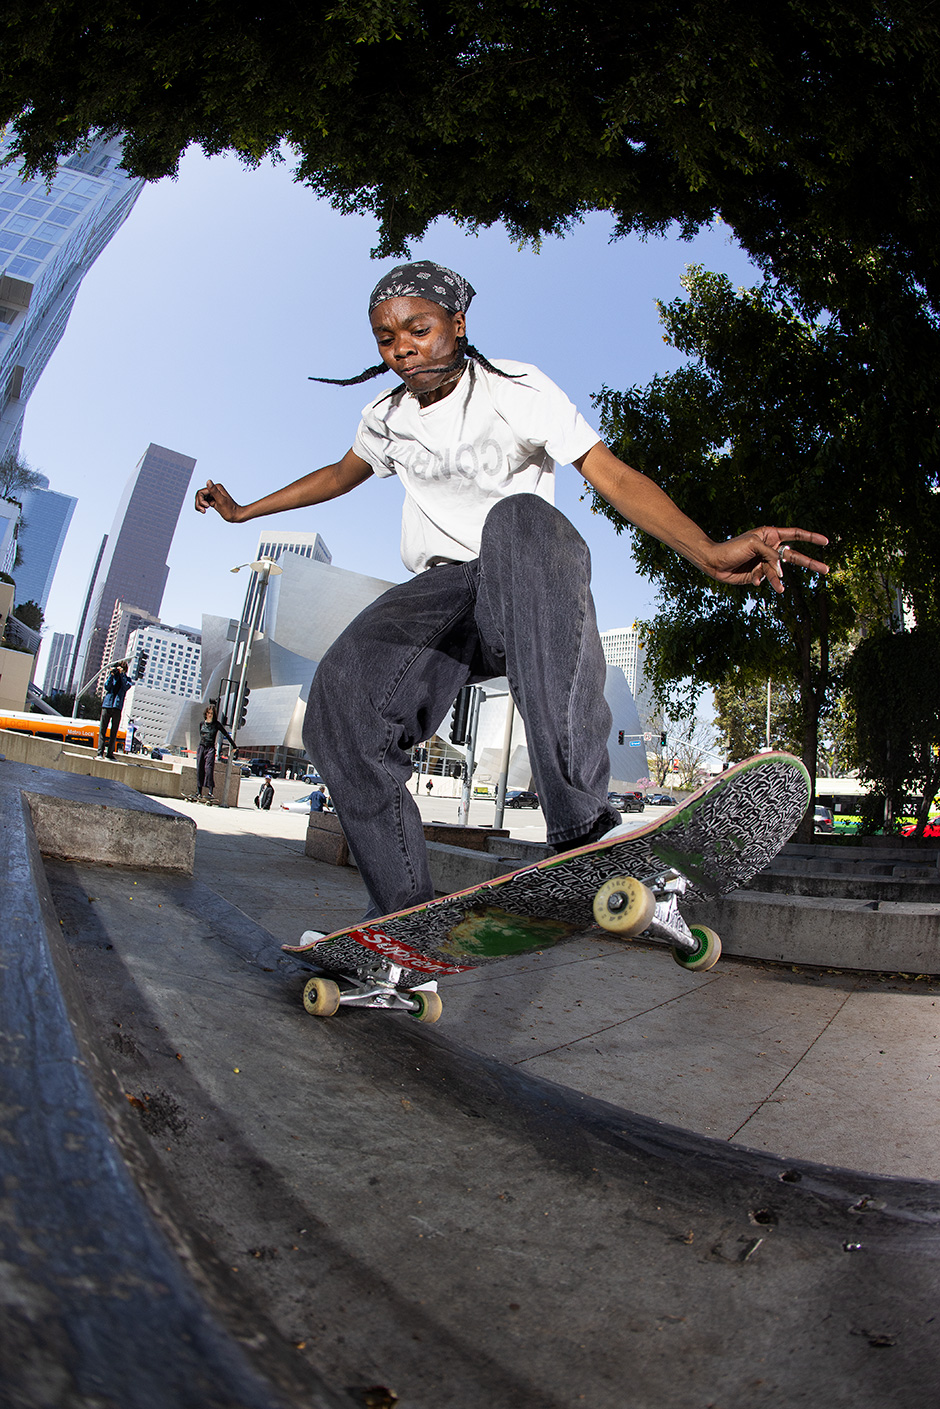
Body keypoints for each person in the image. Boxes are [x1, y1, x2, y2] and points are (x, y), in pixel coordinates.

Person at [196, 259, 828, 923]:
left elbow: (608, 472)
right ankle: (408, 917)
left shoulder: (516, 388)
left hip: (526, 582)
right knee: (339, 700)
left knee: (518, 518)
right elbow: (338, 474)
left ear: (458, 325)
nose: (402, 347)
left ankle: (584, 826)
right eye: (386, 338)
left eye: (419, 329)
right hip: (442, 599)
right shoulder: (384, 416)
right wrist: (244, 513)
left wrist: (706, 548)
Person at [196, 703, 236, 801]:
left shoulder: (216, 724)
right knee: (199, 768)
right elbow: (200, 736)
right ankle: (198, 792)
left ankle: (210, 791)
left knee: (209, 768)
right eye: (208, 713)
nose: (210, 715)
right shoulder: (202, 724)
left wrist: (234, 746)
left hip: (210, 748)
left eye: (212, 713)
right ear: (206, 713)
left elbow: (226, 734)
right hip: (201, 747)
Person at [97, 660, 131, 760]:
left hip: (117, 708)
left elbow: (126, 687)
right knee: (102, 730)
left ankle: (109, 754)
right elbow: (107, 686)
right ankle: (99, 753)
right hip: (107, 705)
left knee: (114, 732)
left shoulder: (127, 679)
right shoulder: (112, 677)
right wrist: (112, 675)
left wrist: (122, 675)